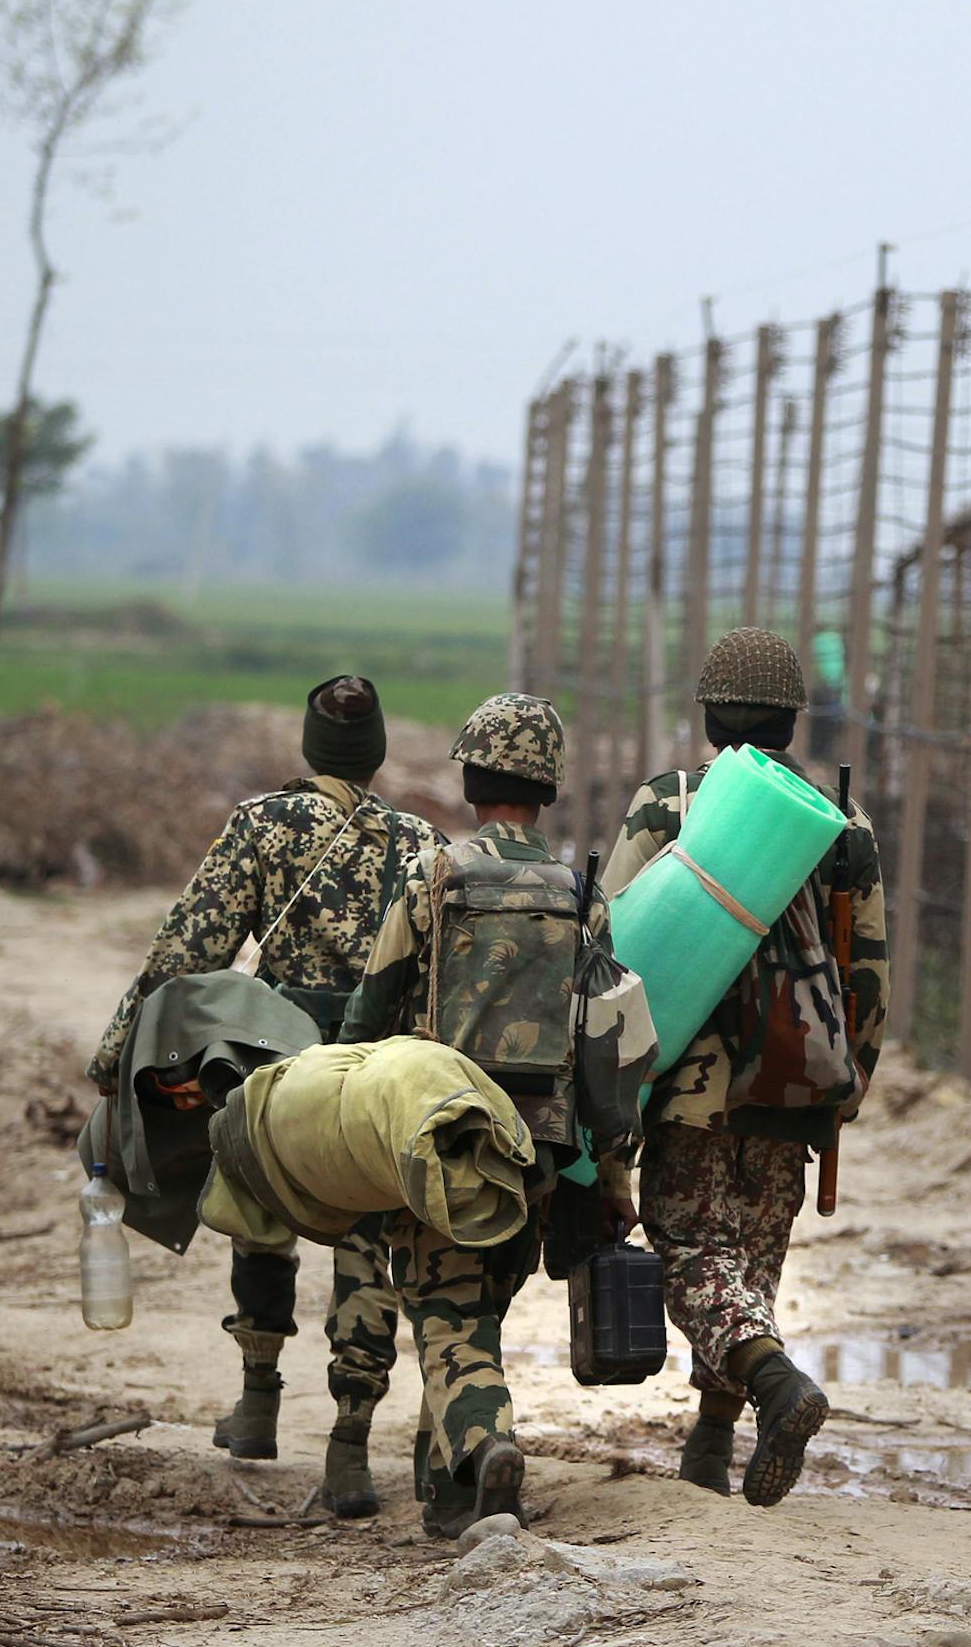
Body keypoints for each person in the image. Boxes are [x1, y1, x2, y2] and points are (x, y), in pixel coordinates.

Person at [89, 675, 440, 1519]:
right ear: (378, 751)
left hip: (274, 1063)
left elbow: (188, 947)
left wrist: (116, 1056)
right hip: (375, 1069)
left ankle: (256, 1403)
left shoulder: (263, 824)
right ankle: (350, 1446)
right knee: (368, 1244)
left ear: (310, 748)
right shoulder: (419, 840)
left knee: (260, 1210)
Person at [601, 627, 887, 1507]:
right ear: (793, 721)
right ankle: (713, 1440)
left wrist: (608, 1096)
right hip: (794, 1074)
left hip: (687, 1084)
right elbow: (867, 968)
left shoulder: (669, 804)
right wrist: (847, 1086)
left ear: (710, 712)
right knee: (753, 1255)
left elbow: (614, 945)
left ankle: (773, 1385)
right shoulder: (840, 824)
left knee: (690, 1246)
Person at [340, 692, 636, 1538]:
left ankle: (489, 1441)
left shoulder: (432, 877)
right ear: (546, 790)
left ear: (470, 782)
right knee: (476, 1307)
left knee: (444, 1314)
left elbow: (368, 1016)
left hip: (442, 1133)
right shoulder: (583, 896)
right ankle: (448, 1498)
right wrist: (612, 1176)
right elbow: (604, 1048)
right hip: (539, 1146)